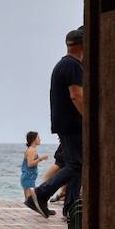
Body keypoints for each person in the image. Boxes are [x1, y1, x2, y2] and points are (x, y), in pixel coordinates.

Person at [29, 28, 84, 219]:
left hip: (65, 123)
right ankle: (41, 193)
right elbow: (76, 96)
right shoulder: (73, 66)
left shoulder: (64, 64)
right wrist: (89, 119)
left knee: (77, 163)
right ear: (83, 46)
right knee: (76, 164)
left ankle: (71, 207)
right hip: (72, 124)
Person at [20, 131, 50, 209]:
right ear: (34, 139)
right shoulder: (31, 150)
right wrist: (41, 158)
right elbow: (30, 164)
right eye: (38, 138)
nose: (40, 139)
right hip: (28, 177)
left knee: (29, 200)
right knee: (30, 201)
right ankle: (34, 213)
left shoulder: (32, 149)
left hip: (29, 177)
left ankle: (33, 213)